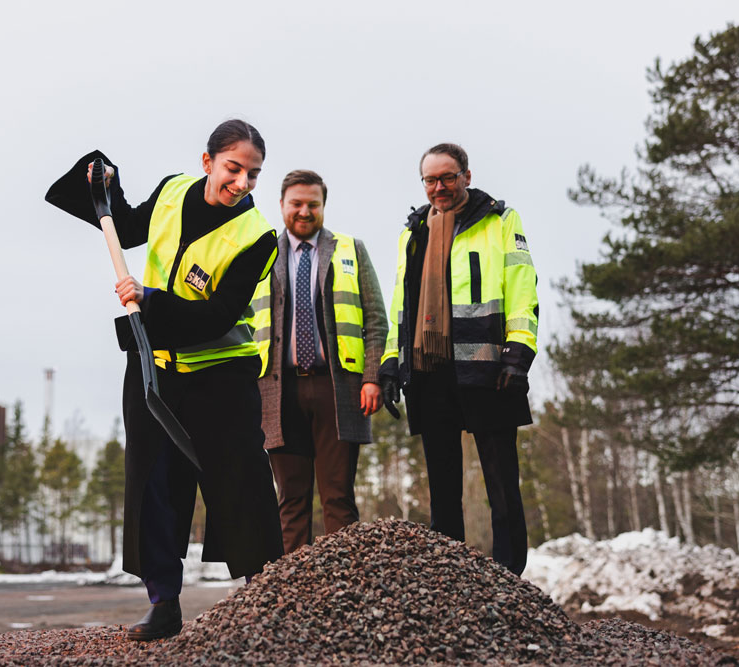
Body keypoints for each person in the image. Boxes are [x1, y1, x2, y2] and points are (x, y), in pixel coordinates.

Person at [46, 119, 284, 641]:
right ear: (207, 162)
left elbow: (218, 316)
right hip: (154, 365)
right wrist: (106, 186)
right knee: (153, 483)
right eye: (233, 168)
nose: (241, 182)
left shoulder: (258, 236)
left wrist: (149, 299)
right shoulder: (174, 191)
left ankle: (265, 599)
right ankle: (164, 604)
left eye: (252, 174)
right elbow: (129, 228)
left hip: (221, 374)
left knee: (240, 482)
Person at [379, 142, 538, 576]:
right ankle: (450, 576)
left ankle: (510, 574)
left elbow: (522, 286)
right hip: (429, 369)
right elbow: (401, 304)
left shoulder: (500, 220)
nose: (439, 187)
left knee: (501, 481)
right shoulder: (412, 233)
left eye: (448, 177)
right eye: (430, 180)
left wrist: (518, 352)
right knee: (442, 484)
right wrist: (391, 362)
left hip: (489, 365)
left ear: (467, 176)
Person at [249, 170, 388, 554]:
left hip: (338, 388)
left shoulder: (351, 249)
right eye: (296, 203)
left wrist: (372, 377)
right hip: (277, 391)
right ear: (282, 205)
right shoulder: (261, 253)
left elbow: (376, 320)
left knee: (338, 495)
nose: (304, 211)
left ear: (323, 205)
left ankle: (344, 579)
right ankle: (293, 585)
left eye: (313, 204)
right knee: (290, 499)